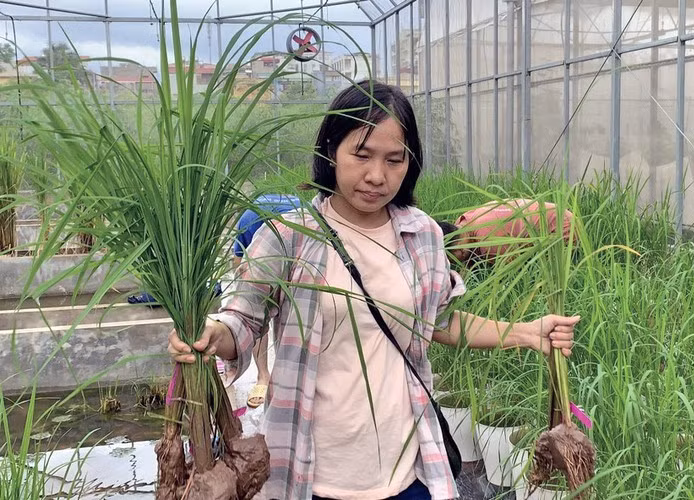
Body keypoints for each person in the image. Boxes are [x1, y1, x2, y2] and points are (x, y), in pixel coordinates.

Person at [168, 81, 579, 500]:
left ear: (409, 162)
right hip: (311, 474)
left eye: (394, 159)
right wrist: (214, 333)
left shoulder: (422, 235)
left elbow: (439, 320)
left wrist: (529, 332)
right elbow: (243, 319)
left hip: (410, 470)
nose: (376, 176)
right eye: (361, 155)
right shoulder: (288, 237)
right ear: (331, 150)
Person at [232, 194, 304, 408]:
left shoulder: (304, 218)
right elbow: (240, 264)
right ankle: (263, 376)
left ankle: (283, 378)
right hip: (259, 237)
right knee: (257, 315)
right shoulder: (249, 222)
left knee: (294, 317)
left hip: (301, 261)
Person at [437, 199, 576, 265]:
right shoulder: (464, 220)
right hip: (556, 211)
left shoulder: (488, 240)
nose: (455, 261)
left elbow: (511, 273)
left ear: (459, 249)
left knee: (545, 274)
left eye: (452, 257)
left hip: (561, 226)